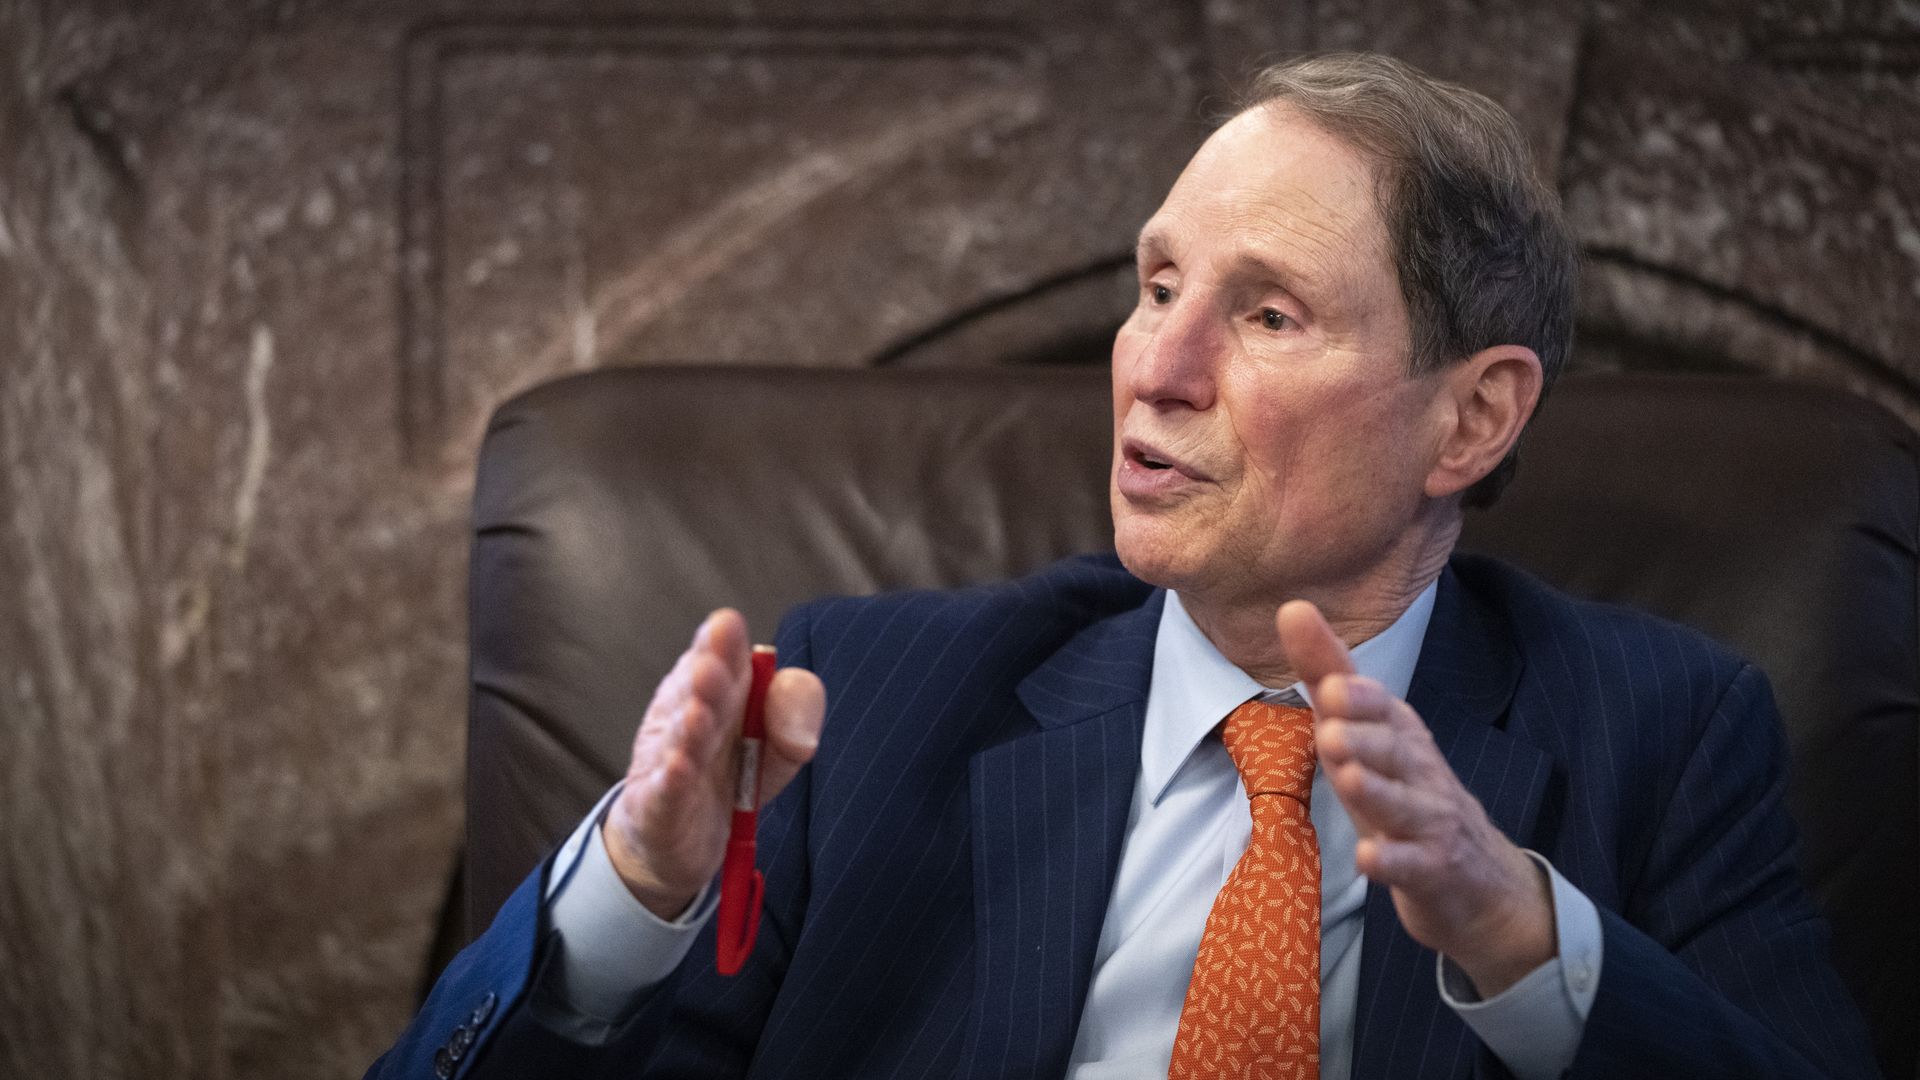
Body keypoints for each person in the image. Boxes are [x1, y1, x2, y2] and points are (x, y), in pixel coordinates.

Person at [370, 53, 1879, 1079]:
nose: (1156, 363)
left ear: (1471, 417)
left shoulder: (1669, 735)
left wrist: (1519, 937)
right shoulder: (875, 699)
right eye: (1156, 285)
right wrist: (631, 891)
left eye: (1267, 313)